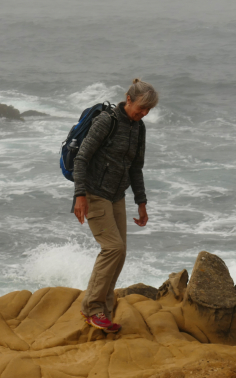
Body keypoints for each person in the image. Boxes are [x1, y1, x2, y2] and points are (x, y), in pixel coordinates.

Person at [73, 79, 158, 333]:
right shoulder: (106, 122)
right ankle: (92, 308)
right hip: (94, 194)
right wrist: (80, 195)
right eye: (141, 108)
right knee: (113, 248)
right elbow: (82, 158)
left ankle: (103, 311)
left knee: (120, 253)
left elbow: (136, 168)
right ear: (129, 100)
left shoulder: (138, 128)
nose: (143, 114)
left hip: (116, 196)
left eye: (148, 111)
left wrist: (141, 202)